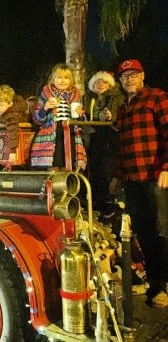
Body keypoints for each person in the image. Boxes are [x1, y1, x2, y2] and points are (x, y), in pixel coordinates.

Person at [110, 59, 168, 308]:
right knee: (144, 234)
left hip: (156, 178)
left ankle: (164, 286)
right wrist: (118, 176)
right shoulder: (123, 108)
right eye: (124, 76)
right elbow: (124, 147)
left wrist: (167, 168)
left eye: (133, 74)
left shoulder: (157, 98)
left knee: (162, 232)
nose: (129, 79)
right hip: (132, 180)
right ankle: (156, 284)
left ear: (142, 75)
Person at [30, 63, 86, 170]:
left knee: (70, 164)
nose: (62, 81)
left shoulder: (76, 95)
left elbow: (81, 122)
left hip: (71, 134)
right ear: (53, 79)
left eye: (66, 78)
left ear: (71, 80)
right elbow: (37, 119)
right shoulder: (45, 94)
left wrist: (80, 114)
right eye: (59, 78)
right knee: (54, 164)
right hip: (51, 134)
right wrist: (45, 108)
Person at [83, 71, 125, 213]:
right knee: (94, 169)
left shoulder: (118, 98)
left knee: (108, 169)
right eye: (97, 82)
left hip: (111, 137)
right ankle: (96, 203)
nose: (100, 85)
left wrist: (111, 117)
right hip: (93, 137)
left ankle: (109, 204)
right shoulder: (87, 99)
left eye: (104, 82)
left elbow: (121, 117)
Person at [0, 84, 28, 160]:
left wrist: (12, 152)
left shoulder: (11, 116)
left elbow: (13, 133)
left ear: (10, 104)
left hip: (13, 146)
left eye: (1, 105)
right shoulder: (2, 111)